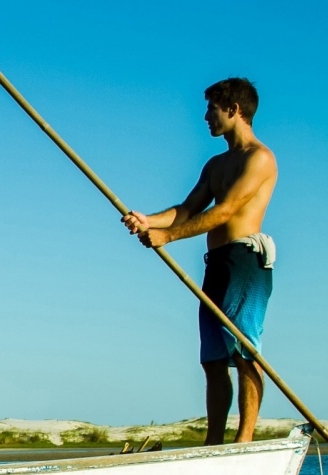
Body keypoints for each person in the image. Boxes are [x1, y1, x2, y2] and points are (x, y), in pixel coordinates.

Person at [122, 77, 277, 446]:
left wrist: (168, 237)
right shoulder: (215, 164)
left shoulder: (260, 158)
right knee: (212, 360)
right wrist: (148, 220)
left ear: (234, 110)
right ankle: (213, 442)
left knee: (243, 352)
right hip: (216, 263)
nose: (206, 116)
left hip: (244, 261)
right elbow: (187, 209)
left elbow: (226, 211)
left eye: (212, 108)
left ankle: (244, 440)